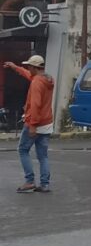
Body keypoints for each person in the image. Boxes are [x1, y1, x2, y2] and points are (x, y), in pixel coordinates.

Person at [5, 55, 54, 193]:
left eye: (29, 66)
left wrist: (32, 125)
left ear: (34, 67)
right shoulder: (47, 79)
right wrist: (15, 67)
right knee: (43, 155)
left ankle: (29, 181)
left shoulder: (36, 83)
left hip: (35, 122)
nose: (28, 68)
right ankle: (44, 184)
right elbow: (28, 75)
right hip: (47, 122)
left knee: (23, 150)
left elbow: (36, 105)